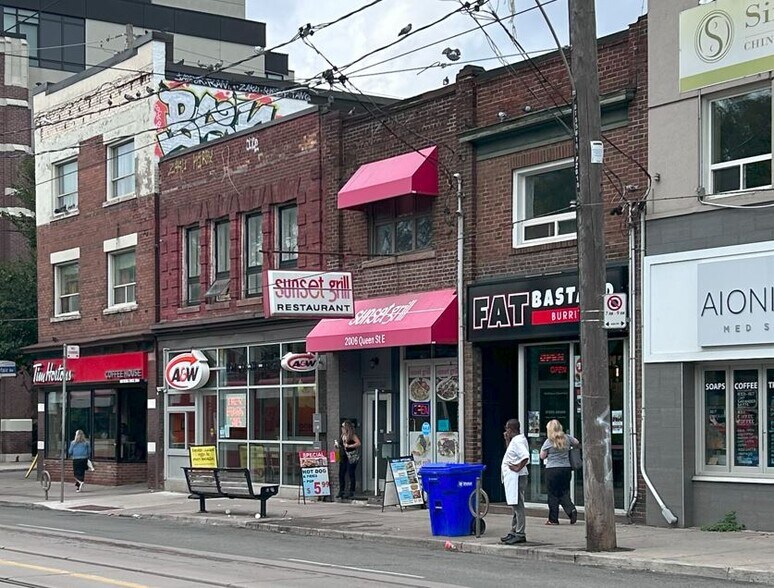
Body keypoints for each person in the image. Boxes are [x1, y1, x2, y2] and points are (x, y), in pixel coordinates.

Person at [540, 419, 579, 525]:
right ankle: (571, 510)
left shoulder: (549, 441)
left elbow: (542, 456)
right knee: (564, 492)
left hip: (552, 470)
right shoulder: (567, 438)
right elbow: (576, 442)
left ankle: (553, 519)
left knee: (553, 494)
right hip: (566, 469)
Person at [500, 418, 530, 545]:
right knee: (514, 505)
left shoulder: (518, 441)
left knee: (518, 506)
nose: (506, 430)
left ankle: (520, 532)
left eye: (507, 428)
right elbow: (510, 453)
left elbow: (525, 456)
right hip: (513, 477)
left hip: (517, 477)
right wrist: (507, 440)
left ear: (511, 429)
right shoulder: (515, 440)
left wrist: (518, 467)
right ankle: (514, 530)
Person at [335, 420, 361, 499]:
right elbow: (342, 445)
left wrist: (349, 446)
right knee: (341, 473)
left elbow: (358, 443)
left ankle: (351, 491)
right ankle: (341, 491)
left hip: (352, 456)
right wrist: (337, 445)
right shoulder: (342, 435)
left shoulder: (352, 435)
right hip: (344, 456)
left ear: (347, 428)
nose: (342, 428)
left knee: (351, 473)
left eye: (343, 427)